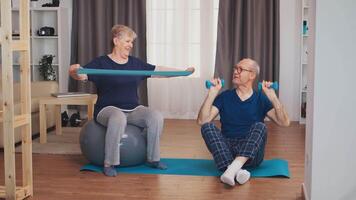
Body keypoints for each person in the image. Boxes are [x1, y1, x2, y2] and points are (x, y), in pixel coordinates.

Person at [69, 24, 194, 177]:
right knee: (118, 117)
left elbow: (160, 70)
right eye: (128, 41)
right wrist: (74, 71)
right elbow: (82, 75)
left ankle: (153, 159)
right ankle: (109, 163)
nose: (131, 45)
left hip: (133, 109)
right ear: (116, 41)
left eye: (131, 42)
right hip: (107, 109)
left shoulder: (135, 64)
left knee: (156, 116)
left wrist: (182, 72)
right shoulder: (101, 63)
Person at [197, 58, 290, 186]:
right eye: (235, 68)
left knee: (260, 126)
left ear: (252, 75)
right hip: (226, 150)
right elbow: (202, 120)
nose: (235, 72)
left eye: (240, 69)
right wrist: (212, 94)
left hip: (252, 153)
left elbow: (284, 122)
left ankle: (231, 169)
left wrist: (273, 97)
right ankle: (236, 170)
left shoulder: (260, 98)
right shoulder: (225, 96)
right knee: (207, 127)